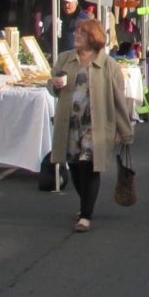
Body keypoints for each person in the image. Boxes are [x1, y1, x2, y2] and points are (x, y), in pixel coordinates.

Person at [48, 19, 134, 233]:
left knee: (89, 167)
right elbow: (51, 85)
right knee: (75, 167)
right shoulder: (65, 59)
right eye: (76, 32)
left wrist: (124, 131)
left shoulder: (109, 65)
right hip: (71, 124)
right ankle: (85, 203)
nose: (76, 36)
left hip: (96, 125)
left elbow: (119, 100)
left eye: (82, 33)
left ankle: (86, 215)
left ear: (93, 38)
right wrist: (54, 86)